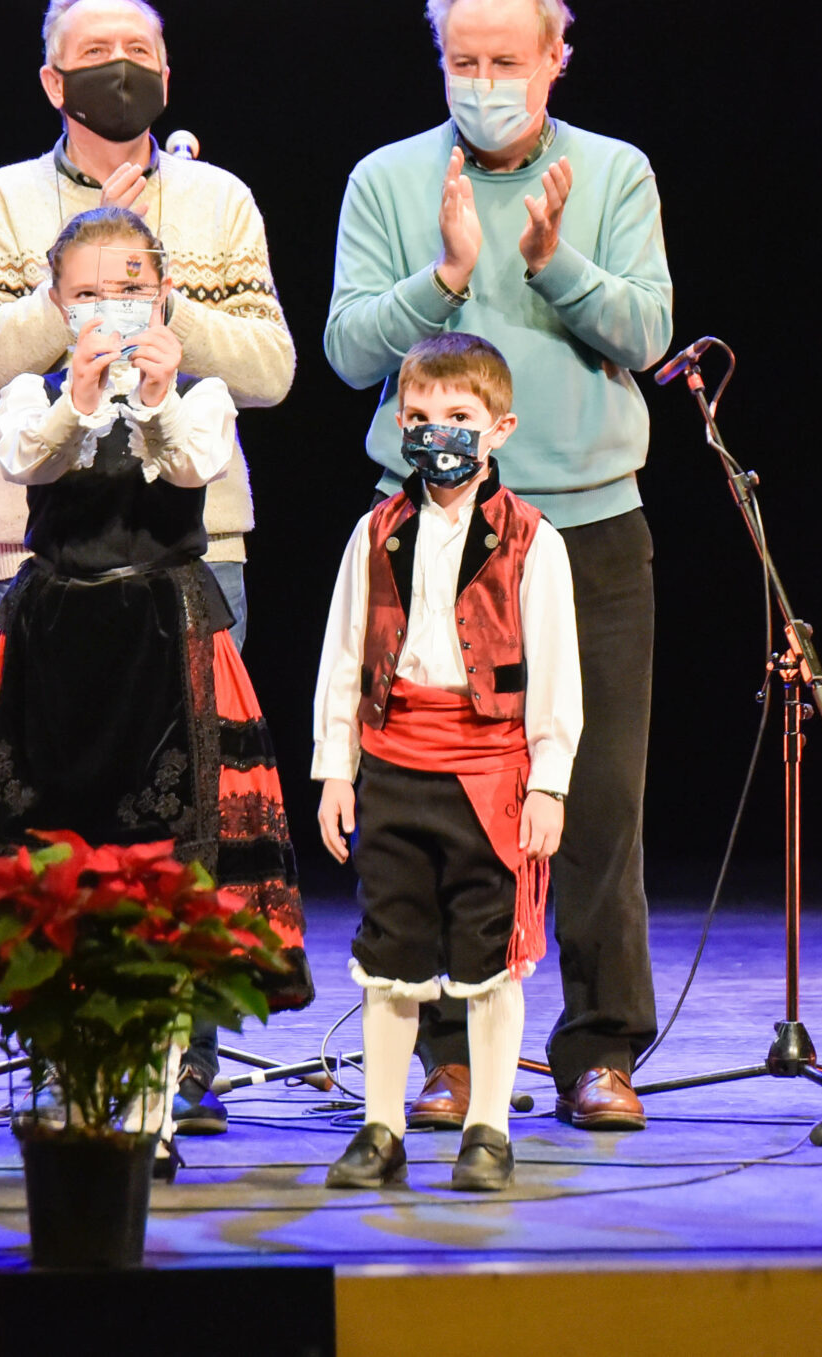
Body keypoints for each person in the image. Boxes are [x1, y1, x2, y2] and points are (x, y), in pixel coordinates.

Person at [0, 0, 293, 1132]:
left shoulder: (219, 196)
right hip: (42, 555)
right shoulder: (2, 198)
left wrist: (163, 308)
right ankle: (61, 1041)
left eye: (138, 50)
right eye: (94, 53)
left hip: (194, 552)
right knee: (53, 805)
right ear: (53, 79)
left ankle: (181, 1054)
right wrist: (82, 285)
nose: (118, 67)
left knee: (182, 804)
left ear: (167, 73)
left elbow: (273, 366)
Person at [325, 0, 669, 1132]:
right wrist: (448, 277)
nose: (484, 82)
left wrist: (552, 258)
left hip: (584, 523)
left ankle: (598, 1047)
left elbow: (648, 328)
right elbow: (346, 346)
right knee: (438, 798)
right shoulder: (387, 176)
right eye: (463, 62)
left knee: (593, 798)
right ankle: (449, 1051)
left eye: (505, 61)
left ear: (554, 57)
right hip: (432, 532)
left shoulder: (612, 171)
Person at [313, 333, 579, 1193]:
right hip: (394, 763)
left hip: (489, 774)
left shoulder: (534, 541)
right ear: (398, 422)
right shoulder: (375, 531)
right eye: (420, 417)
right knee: (391, 952)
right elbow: (343, 655)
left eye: (459, 418)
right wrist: (335, 769)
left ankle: (488, 1127)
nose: (439, 434)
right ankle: (381, 1126)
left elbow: (556, 669)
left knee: (490, 955)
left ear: (498, 427)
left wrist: (548, 779)